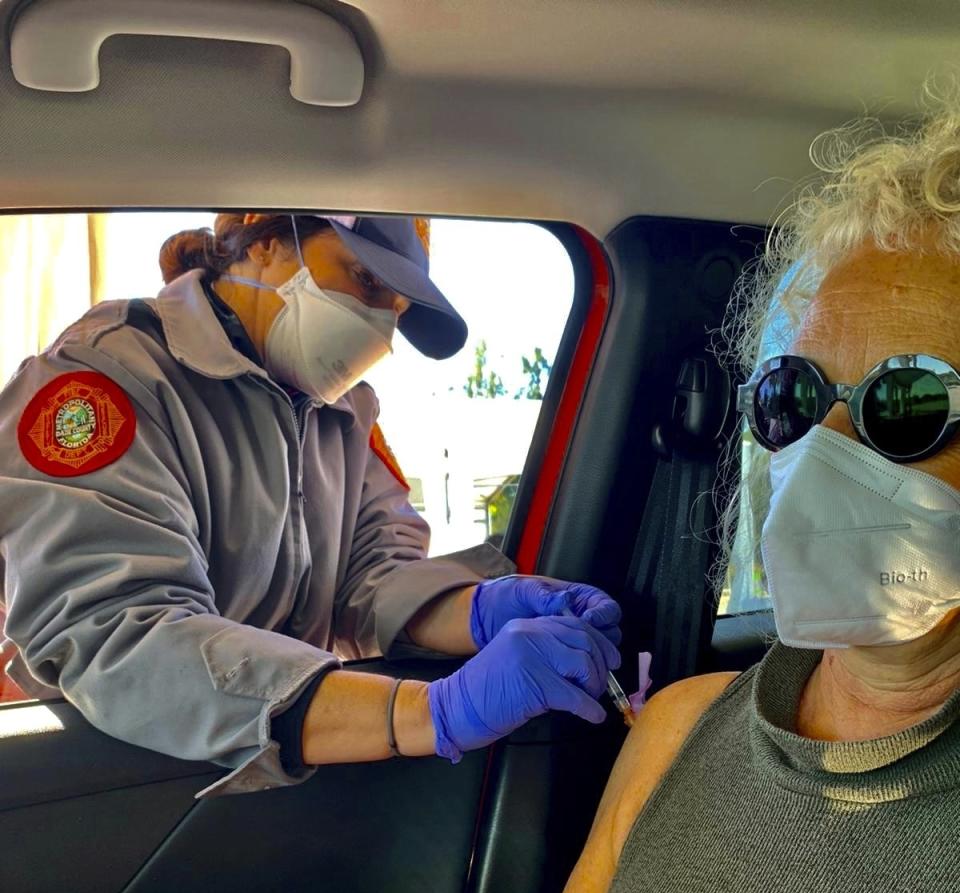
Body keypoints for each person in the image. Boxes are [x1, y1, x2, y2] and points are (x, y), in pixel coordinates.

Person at [148, 85, 960, 893]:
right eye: (791, 400)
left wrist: (443, 649)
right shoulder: (681, 731)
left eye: (906, 404)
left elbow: (370, 569)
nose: (823, 455)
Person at [0, 213, 621, 793]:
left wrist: (482, 609)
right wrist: (427, 713)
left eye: (397, 311)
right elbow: (113, 633)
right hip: (106, 778)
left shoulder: (347, 415)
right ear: (265, 237)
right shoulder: (104, 381)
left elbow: (371, 582)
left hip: (284, 757)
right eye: (367, 281)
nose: (380, 327)